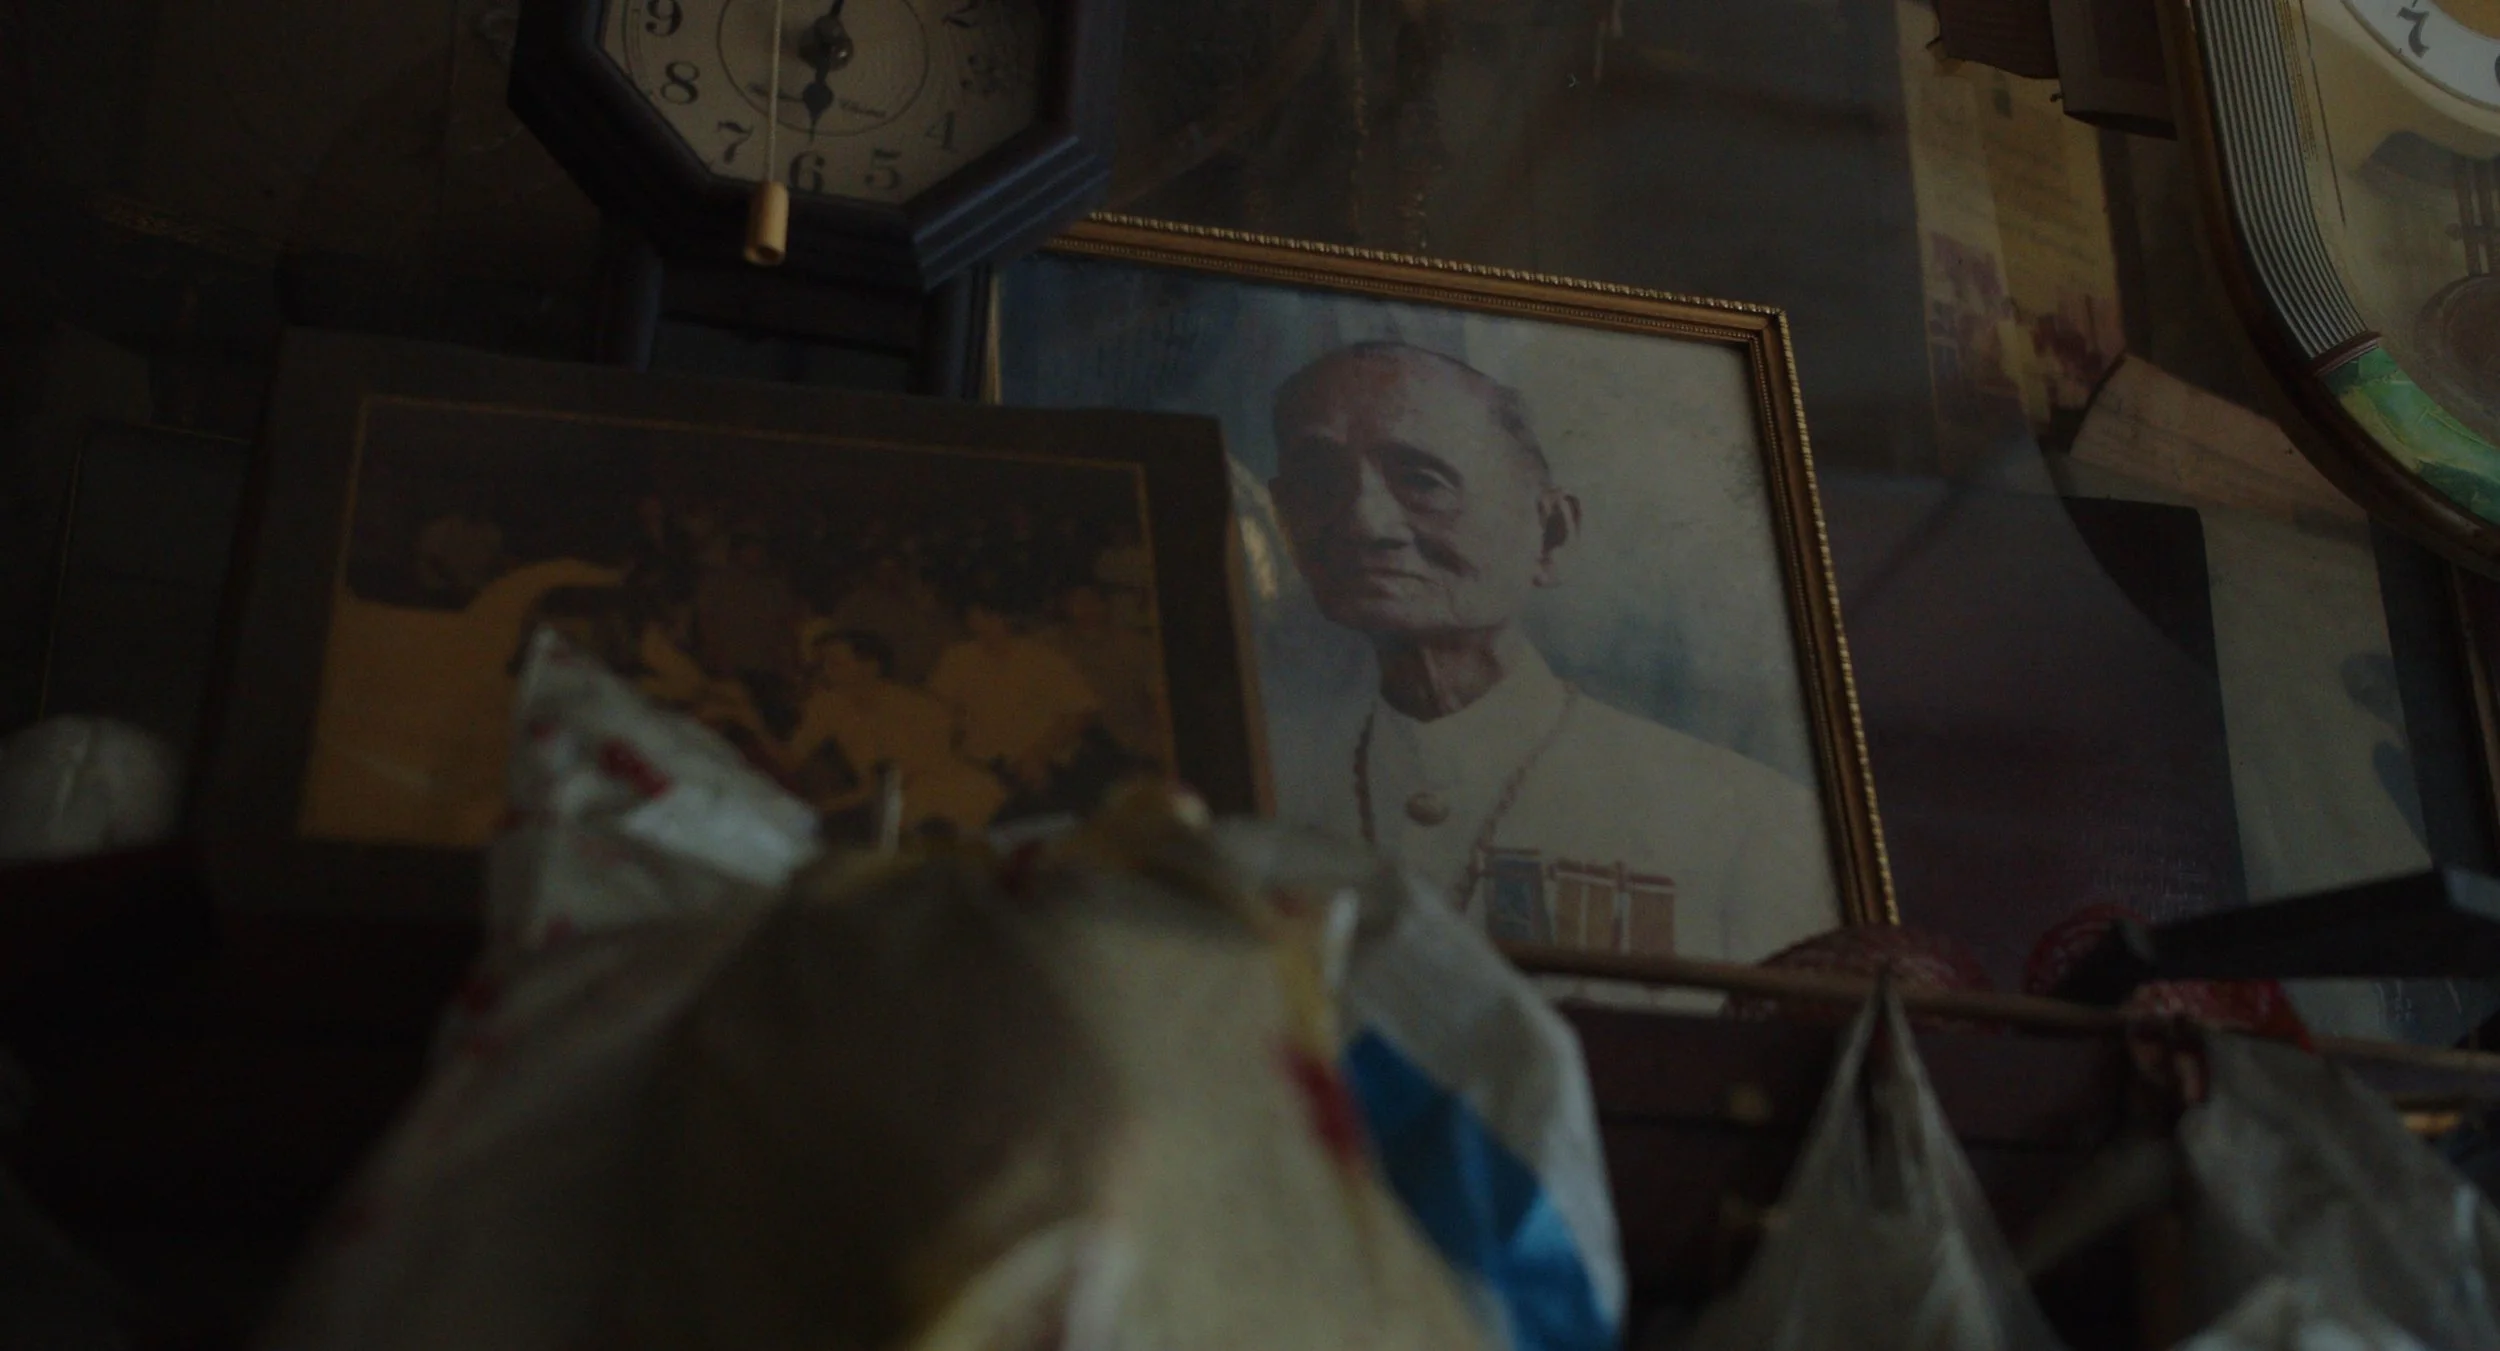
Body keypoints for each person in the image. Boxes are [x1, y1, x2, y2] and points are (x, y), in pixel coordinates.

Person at [1265, 341, 1837, 964]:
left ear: (1552, 534)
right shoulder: (1257, 789)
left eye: (1421, 482)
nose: (1364, 524)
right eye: (1319, 481)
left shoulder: (1752, 825)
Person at [786, 624, 1006, 833]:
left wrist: (822, 808)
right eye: (823, 665)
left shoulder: (917, 707)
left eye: (835, 664)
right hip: (896, 803)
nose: (826, 673)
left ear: (870, 667)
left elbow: (891, 783)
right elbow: (791, 756)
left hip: (944, 792)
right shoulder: (827, 705)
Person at [926, 601, 1102, 806]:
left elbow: (1083, 711)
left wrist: (1039, 754)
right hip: (978, 766)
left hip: (1038, 763)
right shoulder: (957, 658)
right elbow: (937, 710)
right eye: (974, 615)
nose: (980, 622)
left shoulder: (1043, 658)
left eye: (990, 616)